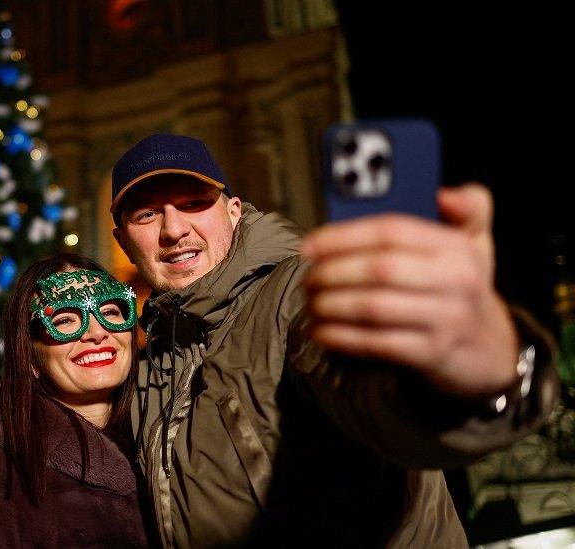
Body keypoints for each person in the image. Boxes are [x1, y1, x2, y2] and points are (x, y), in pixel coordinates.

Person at [109, 133, 559, 547]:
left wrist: (468, 378)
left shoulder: (301, 292)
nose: (173, 230)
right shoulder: (156, 359)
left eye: (193, 203)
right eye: (146, 214)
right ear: (123, 240)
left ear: (234, 210)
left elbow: (371, 389)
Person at [0, 253, 151, 547]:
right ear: (31, 357)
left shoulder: (166, 429)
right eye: (64, 319)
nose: (97, 332)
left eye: (110, 311)